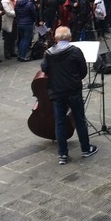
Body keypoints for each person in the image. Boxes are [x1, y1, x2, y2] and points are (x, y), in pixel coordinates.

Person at [40, 26, 98, 165]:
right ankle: (85, 149)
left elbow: (44, 68)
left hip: (57, 91)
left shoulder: (49, 53)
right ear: (69, 38)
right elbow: (83, 72)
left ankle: (63, 155)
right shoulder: (76, 51)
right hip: (73, 90)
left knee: (59, 122)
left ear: (56, 38)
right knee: (79, 119)